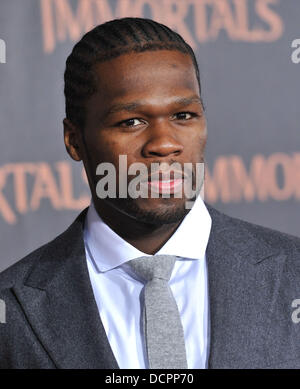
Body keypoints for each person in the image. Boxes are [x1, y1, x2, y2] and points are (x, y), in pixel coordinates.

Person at [0, 17, 300, 370]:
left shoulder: (292, 273)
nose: (164, 144)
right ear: (74, 139)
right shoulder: (12, 310)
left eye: (184, 115)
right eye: (131, 122)